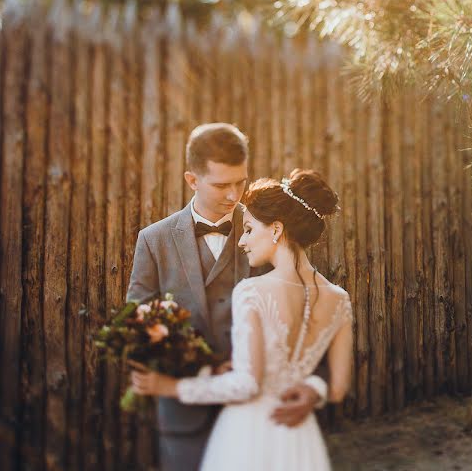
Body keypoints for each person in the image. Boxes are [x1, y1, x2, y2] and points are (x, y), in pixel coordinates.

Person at [126, 124, 329, 470]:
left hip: (261, 414)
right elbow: (137, 326)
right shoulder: (154, 240)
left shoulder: (269, 231)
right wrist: (200, 368)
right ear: (192, 180)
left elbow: (311, 311)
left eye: (241, 182)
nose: (235, 195)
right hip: (184, 417)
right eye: (222, 185)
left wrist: (314, 385)